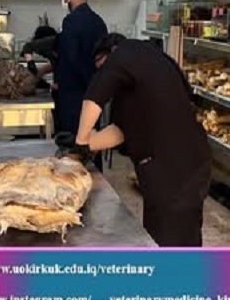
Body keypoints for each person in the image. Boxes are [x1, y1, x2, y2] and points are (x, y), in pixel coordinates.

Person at [72, 34, 212, 247]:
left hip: (174, 170)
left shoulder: (124, 55)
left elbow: (95, 96)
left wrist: (82, 138)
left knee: (171, 239)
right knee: (176, 235)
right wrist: (87, 145)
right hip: (188, 165)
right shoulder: (150, 65)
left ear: (109, 53)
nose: (104, 73)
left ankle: (174, 278)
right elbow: (121, 130)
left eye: (102, 67)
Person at [56, 0, 108, 169]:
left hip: (73, 97)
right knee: (93, 144)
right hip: (95, 96)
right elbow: (104, 61)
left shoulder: (70, 22)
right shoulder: (99, 22)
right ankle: (99, 186)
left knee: (74, 147)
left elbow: (71, 59)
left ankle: (75, 185)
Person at [21, 25, 60, 131]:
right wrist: (40, 73)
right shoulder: (59, 47)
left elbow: (27, 47)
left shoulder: (50, 44)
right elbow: (55, 64)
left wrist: (31, 63)